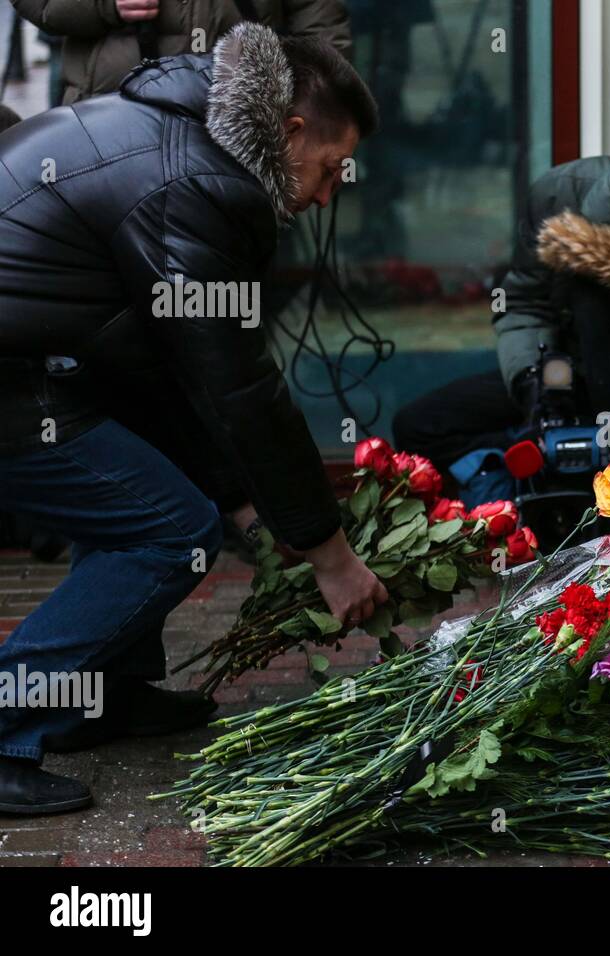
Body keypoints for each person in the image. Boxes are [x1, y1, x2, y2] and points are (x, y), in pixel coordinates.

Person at [0, 23, 385, 814]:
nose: (324, 195)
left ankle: (100, 694)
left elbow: (163, 367)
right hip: (12, 377)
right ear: (289, 132)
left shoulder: (181, 134)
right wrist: (329, 551)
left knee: (156, 494)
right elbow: (237, 386)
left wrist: (241, 494)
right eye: (329, 170)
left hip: (39, 361)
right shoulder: (200, 185)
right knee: (169, 531)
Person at [392, 147, 610, 494]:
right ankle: (533, 459)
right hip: (567, 374)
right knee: (418, 426)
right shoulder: (557, 198)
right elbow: (525, 304)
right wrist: (534, 384)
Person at [10, 0, 350, 105]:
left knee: (223, 266)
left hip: (239, 124)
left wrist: (316, 107)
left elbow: (317, 16)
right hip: (110, 114)